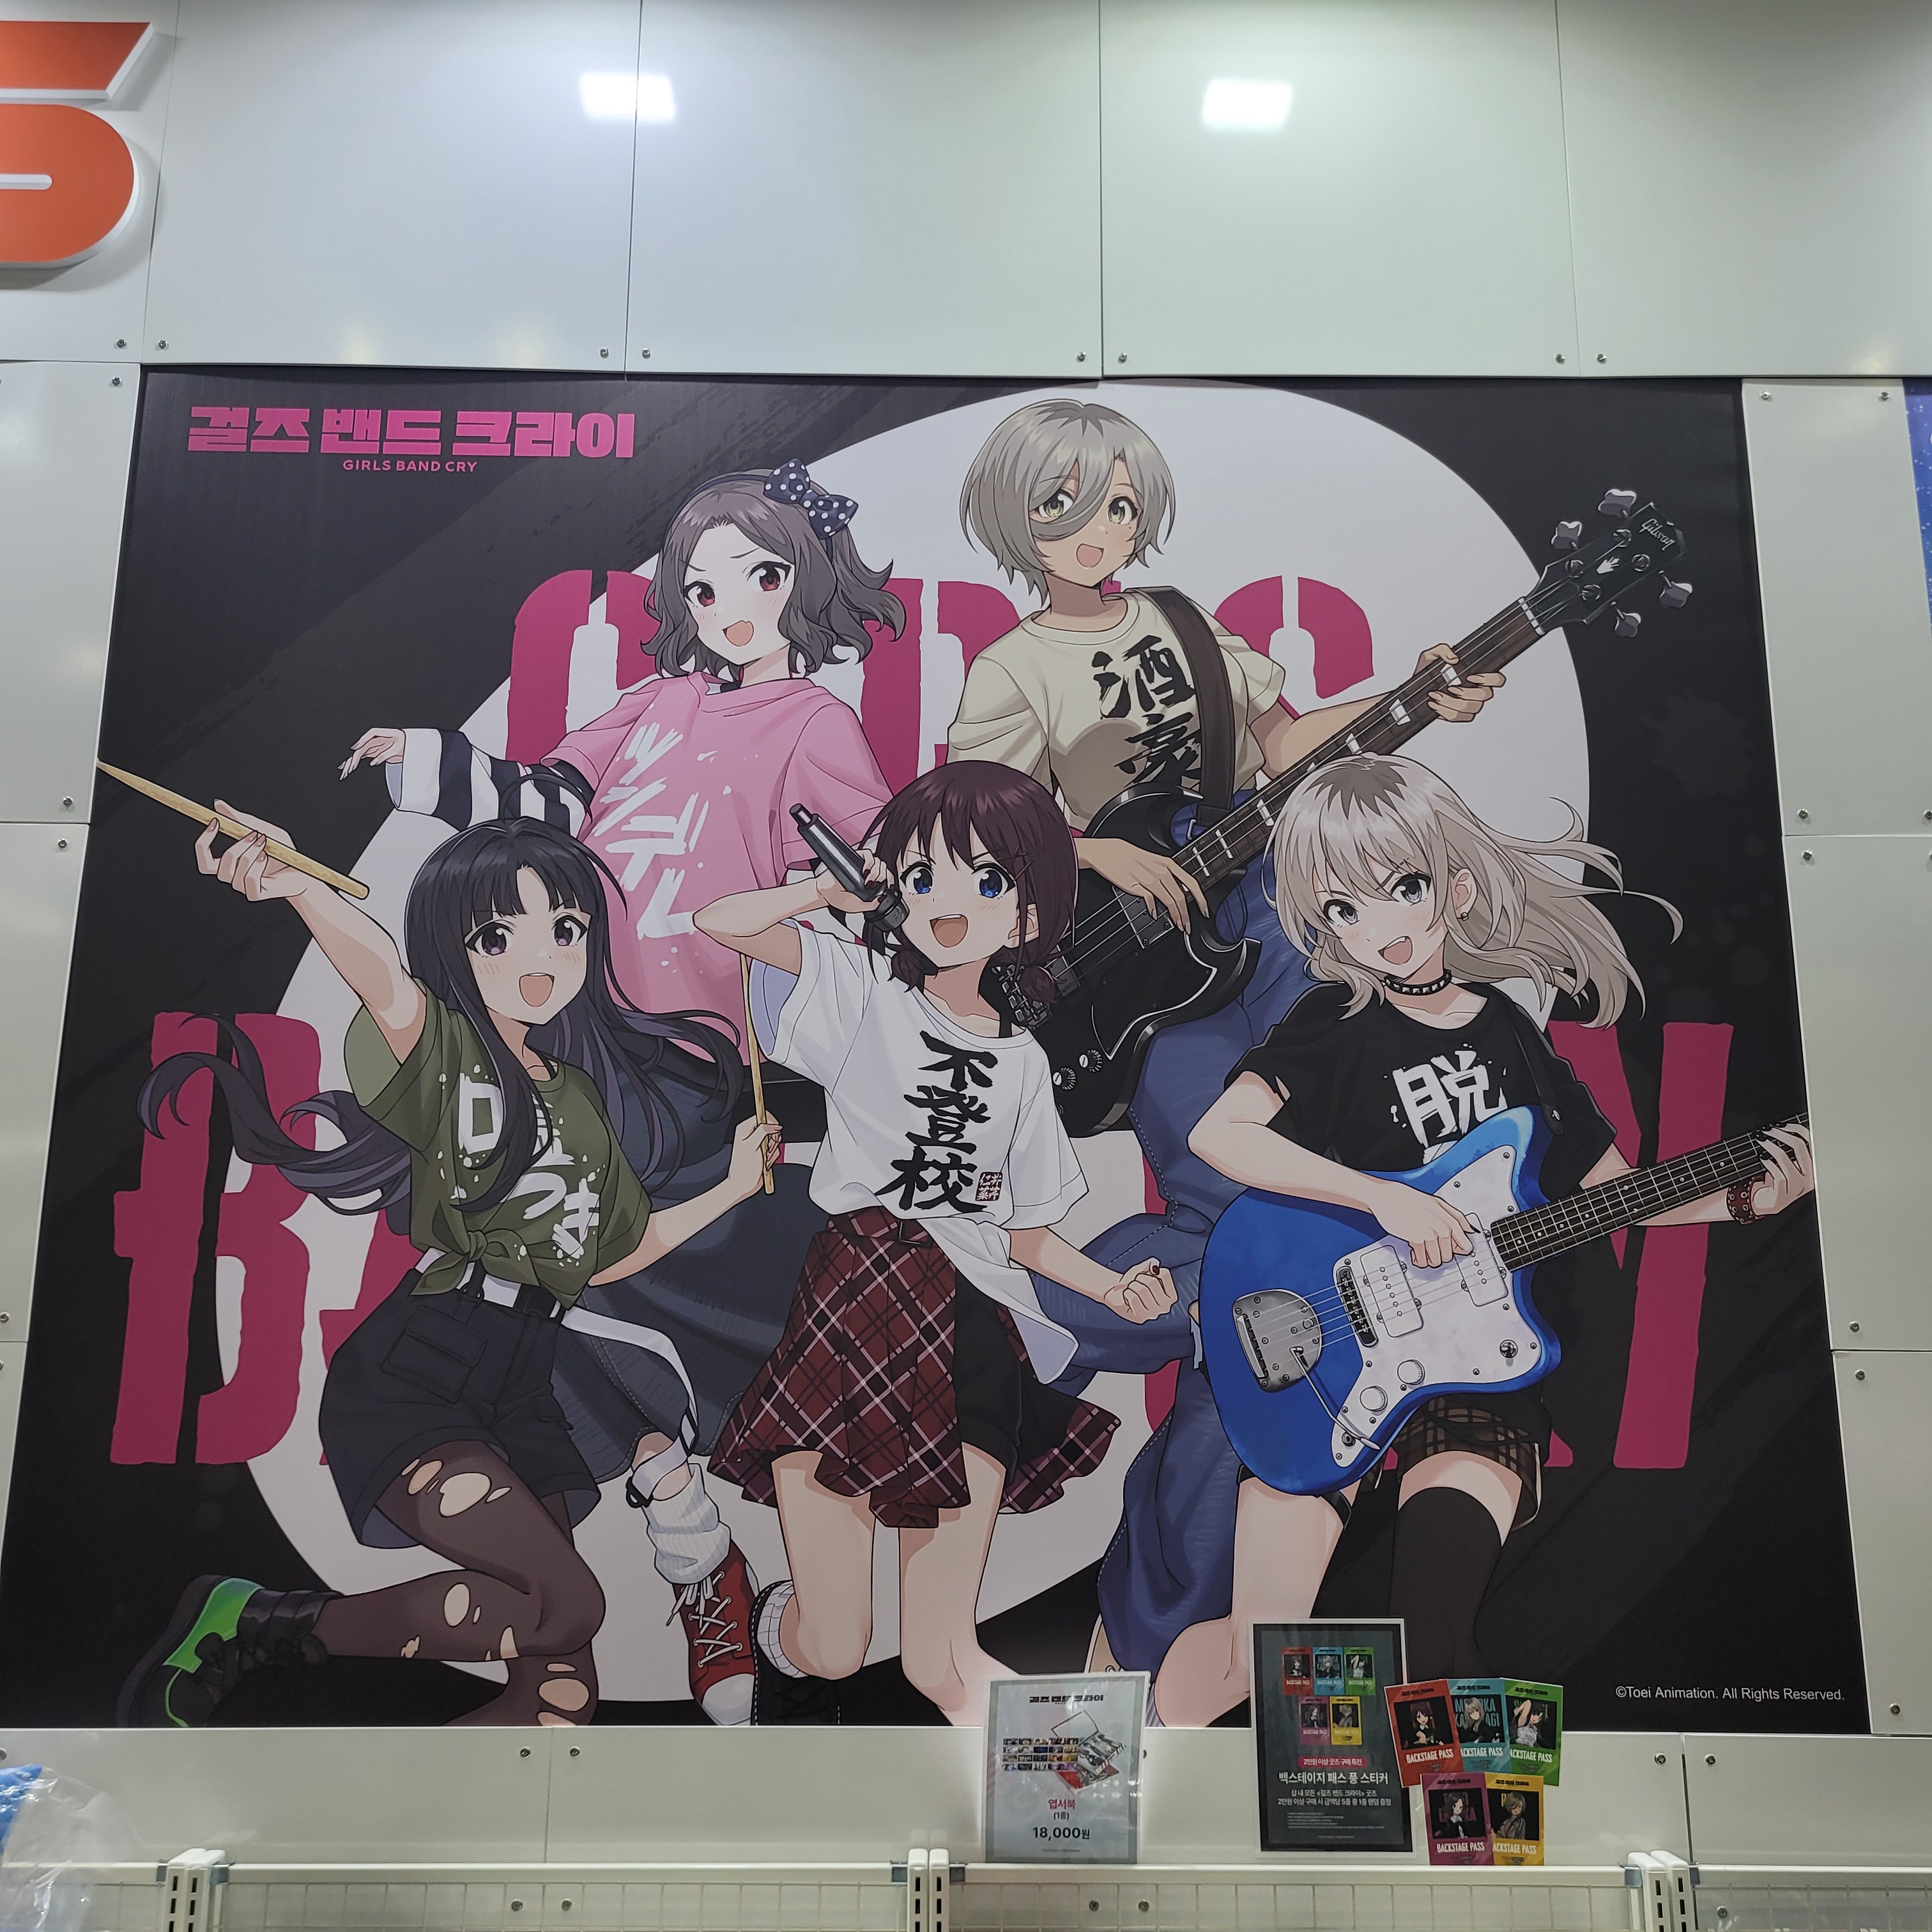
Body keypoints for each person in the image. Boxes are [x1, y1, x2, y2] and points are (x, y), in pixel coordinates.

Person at [950, 399, 1503, 1705]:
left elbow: (1288, 748)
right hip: (1150, 988)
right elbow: (974, 827)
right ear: (1017, 522)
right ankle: (1094, 1322)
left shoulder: (1189, 630)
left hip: (1276, 926)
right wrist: (1093, 849)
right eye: (1062, 507)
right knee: (1233, 1207)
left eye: (1117, 504)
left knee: (1342, 1176)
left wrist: (1413, 698)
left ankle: (1131, 1341)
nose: (1097, 530)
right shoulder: (1011, 671)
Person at [340, 461, 899, 1719]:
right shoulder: (650, 703)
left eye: (758, 577)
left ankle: (695, 1553)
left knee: (604, 1277)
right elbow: (542, 802)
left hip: (691, 1055)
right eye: (701, 587)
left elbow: (872, 868)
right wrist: (430, 764)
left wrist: (833, 900)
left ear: (802, 582)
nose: (728, 606)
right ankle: (685, 1551)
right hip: (570, 1031)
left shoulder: (815, 723)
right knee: (547, 1287)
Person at [1176, 755, 1816, 1717]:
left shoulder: (1510, 1027)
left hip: (1482, 1372)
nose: (1380, 927)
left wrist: (1742, 1201)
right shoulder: (1333, 1021)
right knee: (1252, 1663)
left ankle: (1476, 1819)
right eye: (1344, 908)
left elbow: (1613, 1196)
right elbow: (1219, 1136)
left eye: (1402, 887)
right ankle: (1127, 1752)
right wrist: (1384, 1201)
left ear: (1456, 887)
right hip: (1333, 1360)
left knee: (1438, 1633)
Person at [118, 811, 778, 1728]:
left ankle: (369, 1808)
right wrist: (300, 886)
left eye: (565, 928)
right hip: (428, 1362)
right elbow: (381, 975)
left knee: (558, 1699)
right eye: (497, 936)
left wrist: (734, 1186)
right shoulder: (447, 1051)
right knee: (566, 1606)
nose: (540, 958)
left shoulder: (577, 1098)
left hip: (527, 1382)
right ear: (455, 950)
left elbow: (609, 1252)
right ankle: (264, 1624)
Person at [695, 762, 1179, 1722]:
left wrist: (1113, 1290)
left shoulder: (1023, 1065)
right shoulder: (864, 988)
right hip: (851, 1303)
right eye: (923, 877)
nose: (949, 903)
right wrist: (825, 894)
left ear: (1030, 914)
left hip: (968, 1333)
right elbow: (724, 923)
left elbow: (1027, 1236)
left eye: (986, 880)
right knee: (837, 1650)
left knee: (942, 1658)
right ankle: (768, 1620)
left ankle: (1082, 1790)